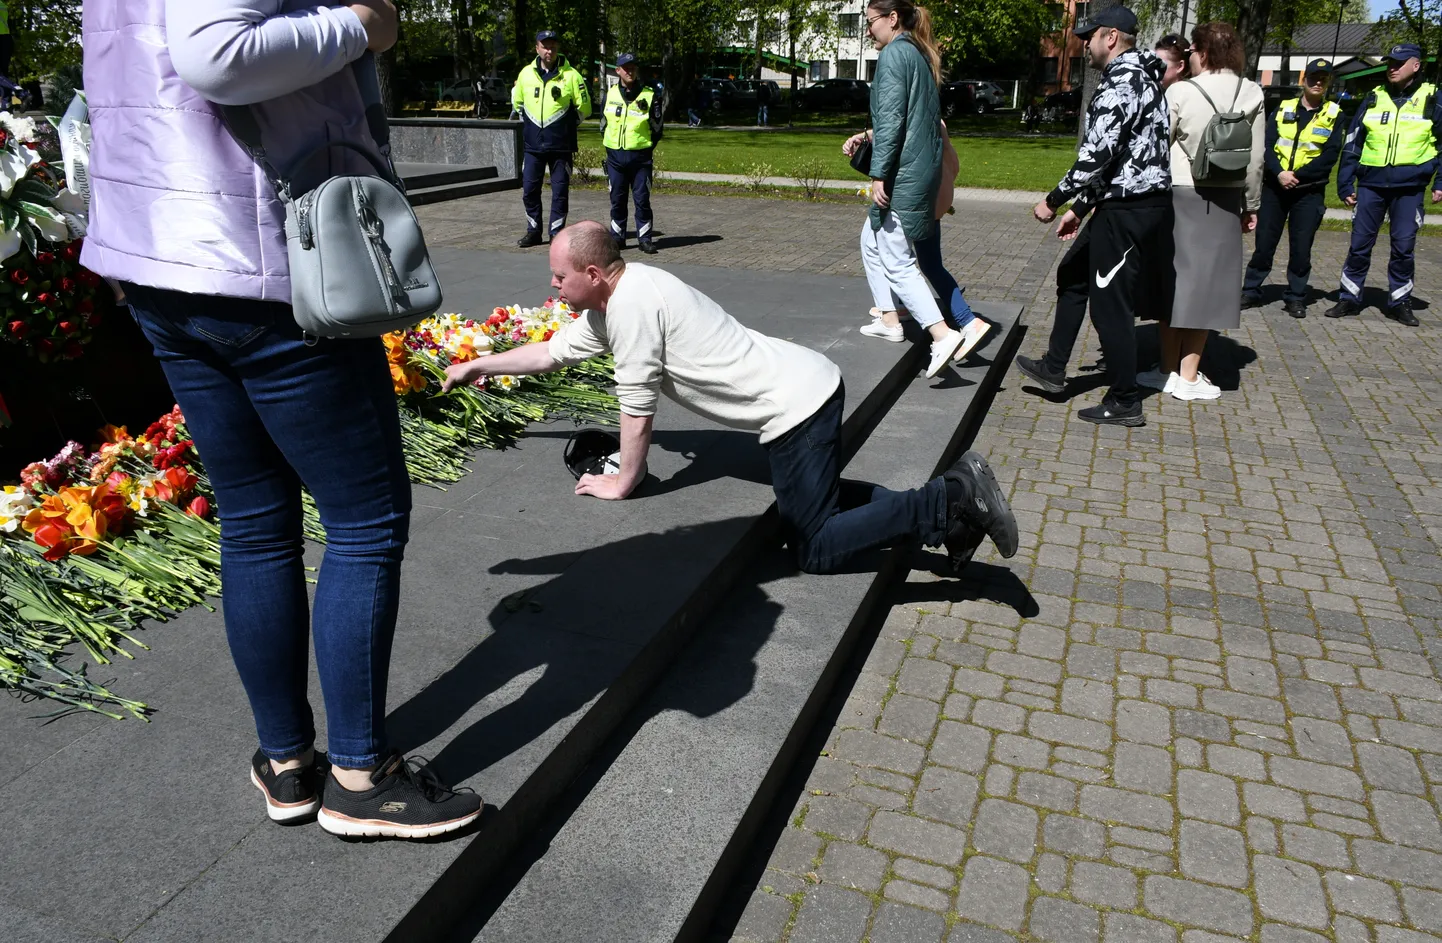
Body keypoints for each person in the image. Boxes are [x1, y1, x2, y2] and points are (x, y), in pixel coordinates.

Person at [82, 0, 481, 839]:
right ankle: (362, 777)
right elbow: (217, 54)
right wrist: (362, 25)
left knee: (257, 522)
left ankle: (288, 761)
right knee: (365, 520)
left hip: (162, 254)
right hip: (268, 259)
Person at [441, 222, 1020, 575]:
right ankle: (952, 517)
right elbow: (552, 353)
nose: (552, 286)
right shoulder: (618, 295)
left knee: (813, 546)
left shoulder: (634, 310)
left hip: (800, 407)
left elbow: (637, 413)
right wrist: (479, 364)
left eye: (558, 277)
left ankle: (949, 497)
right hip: (803, 386)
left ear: (592, 272)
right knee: (817, 502)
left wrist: (624, 482)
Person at [1022, 5, 1173, 427]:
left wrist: (1053, 201)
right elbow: (1121, 155)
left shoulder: (1123, 80)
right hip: (1118, 202)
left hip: (1131, 210)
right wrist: (1082, 208)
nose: (1083, 44)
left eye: (1089, 37)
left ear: (1110, 37)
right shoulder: (1135, 78)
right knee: (1072, 274)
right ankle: (1054, 368)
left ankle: (1126, 400)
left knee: (1111, 305)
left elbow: (1097, 154)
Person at [850, 0, 973, 379]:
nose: (868, 30)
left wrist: (879, 174)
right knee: (871, 240)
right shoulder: (919, 55)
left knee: (897, 258)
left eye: (870, 22)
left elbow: (891, 122)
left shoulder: (894, 57)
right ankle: (889, 319)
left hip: (904, 173)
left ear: (892, 19)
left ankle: (941, 334)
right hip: (920, 169)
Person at [1144, 21, 1263, 402]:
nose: (1190, 57)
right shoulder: (1252, 91)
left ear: (1204, 52)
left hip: (1180, 193)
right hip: (1226, 199)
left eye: (1193, 51)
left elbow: (1158, 145)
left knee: (1173, 283)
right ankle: (1189, 375)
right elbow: (1256, 158)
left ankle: (1165, 369)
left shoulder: (1180, 91)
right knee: (1209, 288)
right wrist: (1252, 205)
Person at [846, 120, 991, 359]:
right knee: (928, 264)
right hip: (934, 201)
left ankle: (962, 323)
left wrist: (869, 146)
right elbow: (953, 164)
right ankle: (907, 309)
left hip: (918, 202)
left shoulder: (924, 117)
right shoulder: (934, 117)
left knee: (898, 260)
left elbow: (896, 130)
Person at [1327, 43, 1442, 327]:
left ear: (1416, 65)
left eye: (1400, 63)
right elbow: (1353, 142)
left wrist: (1440, 181)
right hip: (1371, 185)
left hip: (1410, 188)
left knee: (1403, 246)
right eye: (1390, 62)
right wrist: (1345, 183)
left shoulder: (1432, 98)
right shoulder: (1374, 98)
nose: (1392, 67)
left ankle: (1400, 302)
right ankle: (1350, 298)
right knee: (1359, 245)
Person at [1241, 59, 1342, 319]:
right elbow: (1267, 144)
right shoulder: (1283, 108)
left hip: (1308, 191)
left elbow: (1330, 155)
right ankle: (1251, 290)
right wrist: (1280, 173)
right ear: (1303, 80)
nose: (1317, 82)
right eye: (1313, 77)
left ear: (1328, 82)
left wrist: (1296, 176)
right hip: (1275, 188)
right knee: (1264, 244)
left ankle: (1296, 297)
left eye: (1323, 78)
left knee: (1301, 248)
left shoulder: (1334, 114)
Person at [512, 29, 592, 248]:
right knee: (529, 190)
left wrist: (565, 127)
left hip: (561, 147)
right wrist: (530, 126)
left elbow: (585, 107)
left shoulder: (572, 75)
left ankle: (556, 234)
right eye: (545, 46)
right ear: (537, 48)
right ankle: (533, 231)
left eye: (553, 46)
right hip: (532, 147)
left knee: (560, 192)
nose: (549, 50)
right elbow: (517, 103)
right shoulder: (525, 74)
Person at [600, 53, 662, 254]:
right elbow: (603, 124)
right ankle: (618, 238)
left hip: (640, 159)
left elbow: (657, 128)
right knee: (617, 199)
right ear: (617, 70)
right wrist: (612, 148)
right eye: (625, 68)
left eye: (632, 67)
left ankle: (645, 239)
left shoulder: (649, 95)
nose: (629, 71)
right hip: (615, 159)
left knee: (642, 200)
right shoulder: (609, 95)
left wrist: (644, 149)